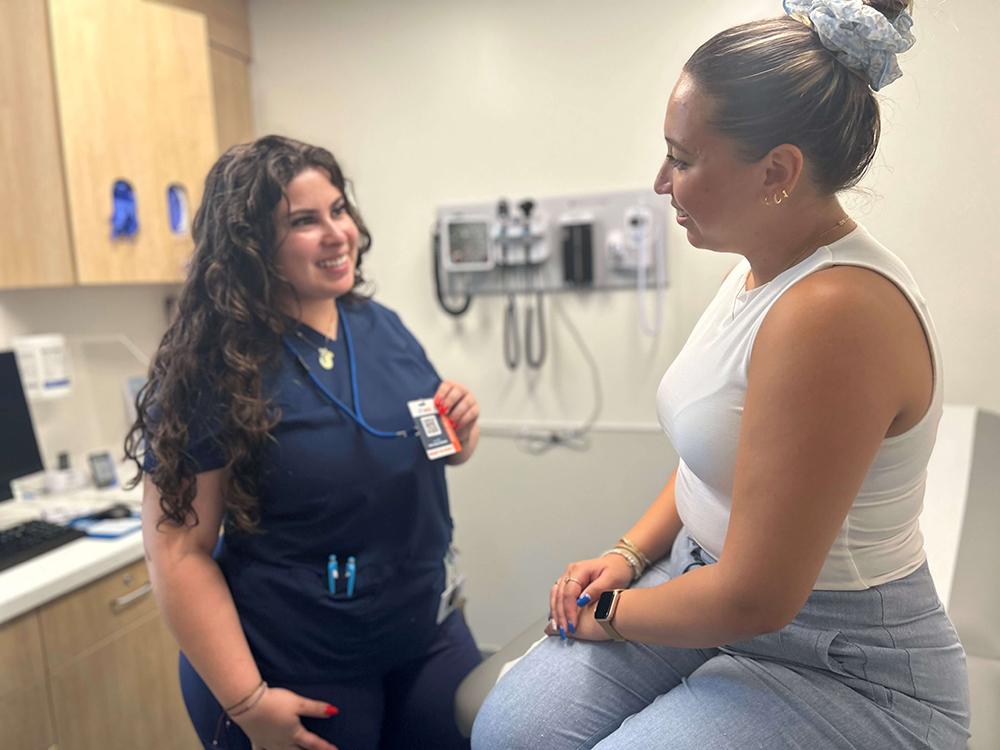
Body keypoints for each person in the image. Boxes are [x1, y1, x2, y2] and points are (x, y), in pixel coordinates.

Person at [472, 1, 971, 748]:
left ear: (777, 172)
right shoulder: (759, 270)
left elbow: (756, 599)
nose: (660, 182)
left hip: (838, 657)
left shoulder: (836, 311)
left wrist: (606, 614)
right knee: (511, 733)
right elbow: (711, 464)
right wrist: (627, 555)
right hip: (699, 585)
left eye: (682, 158)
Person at [125, 135, 482, 750]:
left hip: (424, 631)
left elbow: (429, 446)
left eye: (339, 210)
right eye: (304, 221)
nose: (337, 233)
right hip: (295, 665)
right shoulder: (211, 368)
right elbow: (177, 553)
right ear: (251, 245)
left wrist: (462, 431)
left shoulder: (380, 327)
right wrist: (247, 703)